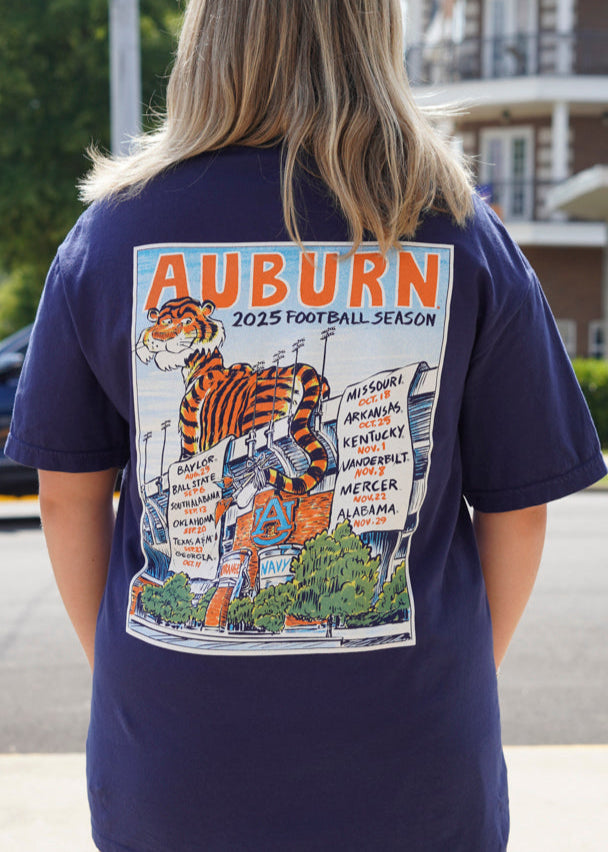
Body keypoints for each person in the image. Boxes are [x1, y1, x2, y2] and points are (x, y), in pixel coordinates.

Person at [6, 2, 606, 850]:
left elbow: (68, 500)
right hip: (415, 772)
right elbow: (519, 509)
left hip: (175, 775)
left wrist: (136, 681)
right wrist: (443, 679)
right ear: (373, 36)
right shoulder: (460, 231)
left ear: (207, 43)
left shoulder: (108, 237)